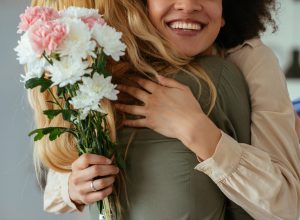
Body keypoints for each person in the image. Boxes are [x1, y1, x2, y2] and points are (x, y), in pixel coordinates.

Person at [27, 0, 300, 219]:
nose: (188, 4)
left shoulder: (247, 60)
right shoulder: (114, 67)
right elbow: (54, 190)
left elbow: (288, 207)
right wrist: (74, 186)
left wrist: (195, 129)